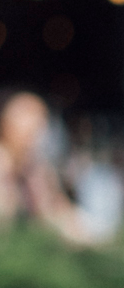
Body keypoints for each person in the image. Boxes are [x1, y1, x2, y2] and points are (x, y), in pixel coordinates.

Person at [0, 91, 90, 242]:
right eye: (29, 131)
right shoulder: (5, 165)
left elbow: (56, 208)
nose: (35, 138)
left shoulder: (34, 167)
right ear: (6, 125)